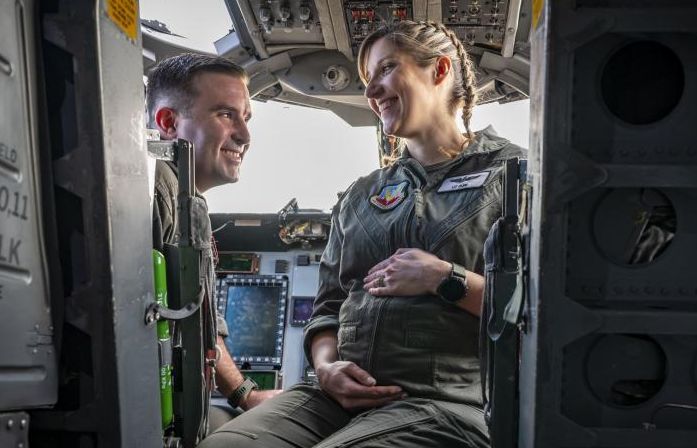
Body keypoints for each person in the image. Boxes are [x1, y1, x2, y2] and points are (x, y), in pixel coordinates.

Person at [199, 20, 525, 448]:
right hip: (333, 399)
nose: (371, 92)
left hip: (445, 403)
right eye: (369, 80)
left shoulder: (515, 176)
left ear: (440, 70)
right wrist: (328, 366)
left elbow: (541, 313)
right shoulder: (362, 194)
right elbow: (328, 307)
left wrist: (446, 278)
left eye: (387, 70)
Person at [147, 53, 282, 439]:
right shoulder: (160, 190)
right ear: (169, 123)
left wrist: (244, 394)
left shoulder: (184, 198)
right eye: (226, 115)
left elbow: (198, 320)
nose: (245, 135)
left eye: (246, 117)